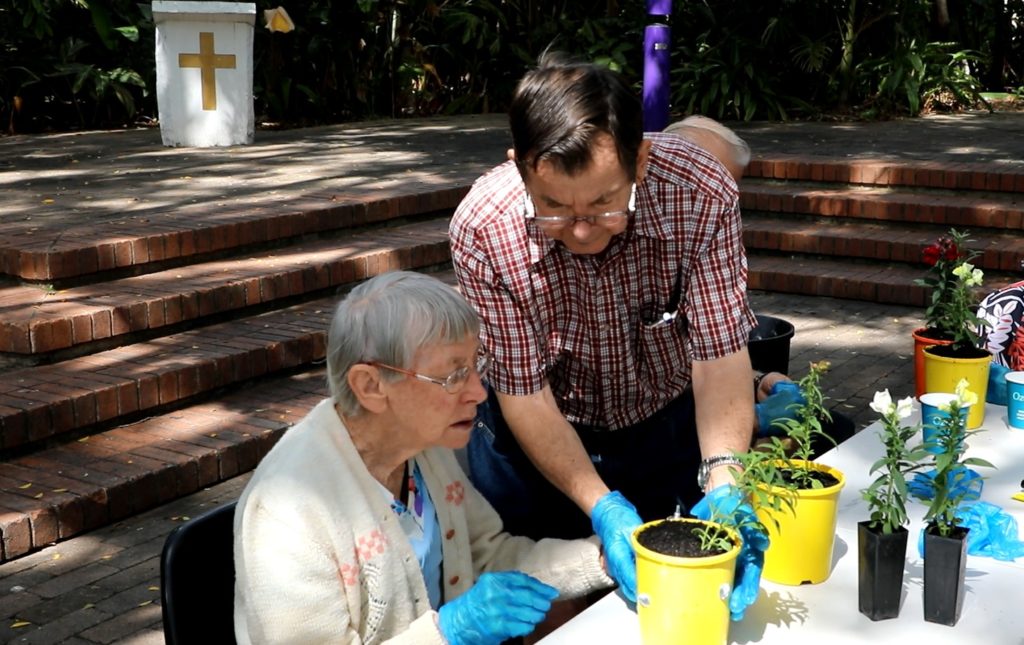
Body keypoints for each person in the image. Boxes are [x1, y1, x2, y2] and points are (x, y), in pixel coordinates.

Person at [449, 53, 765, 619]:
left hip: (662, 421)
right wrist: (603, 507)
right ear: (519, 169)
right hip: (534, 440)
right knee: (544, 612)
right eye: (552, 207)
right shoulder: (484, 229)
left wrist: (725, 480)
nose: (580, 228)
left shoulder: (698, 193)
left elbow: (719, 355)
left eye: (603, 203)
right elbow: (525, 392)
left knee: (680, 598)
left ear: (640, 159)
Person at [232, 271, 613, 644]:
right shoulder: (288, 512)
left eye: (475, 367)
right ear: (370, 386)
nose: (479, 393)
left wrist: (600, 560)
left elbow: (487, 556)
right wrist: (447, 633)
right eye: (452, 376)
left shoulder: (423, 451)